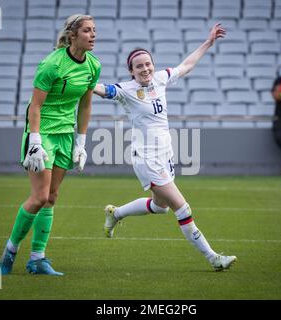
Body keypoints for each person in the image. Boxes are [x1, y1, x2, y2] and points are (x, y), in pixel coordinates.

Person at [94, 23, 237, 272]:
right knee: (182, 207)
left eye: (148, 64)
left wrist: (208, 42)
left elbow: (187, 65)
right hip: (147, 160)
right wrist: (82, 80)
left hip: (165, 155)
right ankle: (214, 258)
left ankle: (115, 214)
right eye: (139, 66)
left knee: (159, 207)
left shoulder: (160, 78)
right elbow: (100, 89)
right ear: (131, 70)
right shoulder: (126, 90)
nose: (145, 69)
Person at [0, 14, 101, 275]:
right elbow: (36, 105)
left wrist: (81, 142)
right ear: (73, 34)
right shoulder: (51, 64)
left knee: (52, 197)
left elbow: (86, 105)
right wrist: (33, 140)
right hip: (41, 133)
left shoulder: (93, 66)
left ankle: (37, 259)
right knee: (39, 197)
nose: (93, 35)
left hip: (66, 135)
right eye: (87, 31)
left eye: (94, 31)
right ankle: (9, 251)